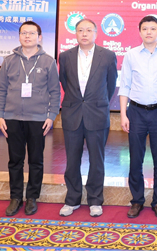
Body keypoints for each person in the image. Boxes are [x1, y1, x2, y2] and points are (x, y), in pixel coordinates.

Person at [0, 21, 60, 217]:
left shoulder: (48, 61)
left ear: (39, 37)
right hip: (12, 117)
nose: (27, 36)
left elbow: (55, 91)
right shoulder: (8, 61)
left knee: (36, 160)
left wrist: (51, 116)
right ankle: (15, 197)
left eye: (32, 33)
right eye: (24, 33)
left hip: (38, 119)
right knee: (15, 160)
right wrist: (0, 115)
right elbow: (1, 89)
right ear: (19, 36)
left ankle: (32, 197)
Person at [58, 18, 118, 217]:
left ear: (95, 33)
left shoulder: (108, 56)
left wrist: (97, 102)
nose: (84, 34)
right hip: (72, 114)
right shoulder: (65, 56)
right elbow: (65, 83)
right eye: (80, 30)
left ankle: (95, 200)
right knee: (72, 160)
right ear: (75, 33)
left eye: (88, 30)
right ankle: (72, 199)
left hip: (97, 114)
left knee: (97, 160)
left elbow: (110, 85)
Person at [119, 15, 157, 219]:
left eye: (153, 29)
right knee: (136, 159)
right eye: (145, 29)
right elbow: (125, 85)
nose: (149, 32)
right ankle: (137, 200)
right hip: (136, 112)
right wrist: (123, 114)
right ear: (140, 31)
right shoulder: (131, 55)